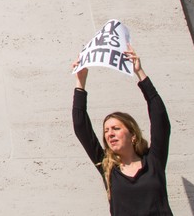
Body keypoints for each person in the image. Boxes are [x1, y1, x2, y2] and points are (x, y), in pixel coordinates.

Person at [71, 46, 173, 216]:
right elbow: (81, 126)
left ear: (133, 135)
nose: (109, 133)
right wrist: (80, 81)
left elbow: (160, 119)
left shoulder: (153, 160)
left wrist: (140, 73)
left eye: (116, 128)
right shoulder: (108, 167)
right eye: (106, 131)